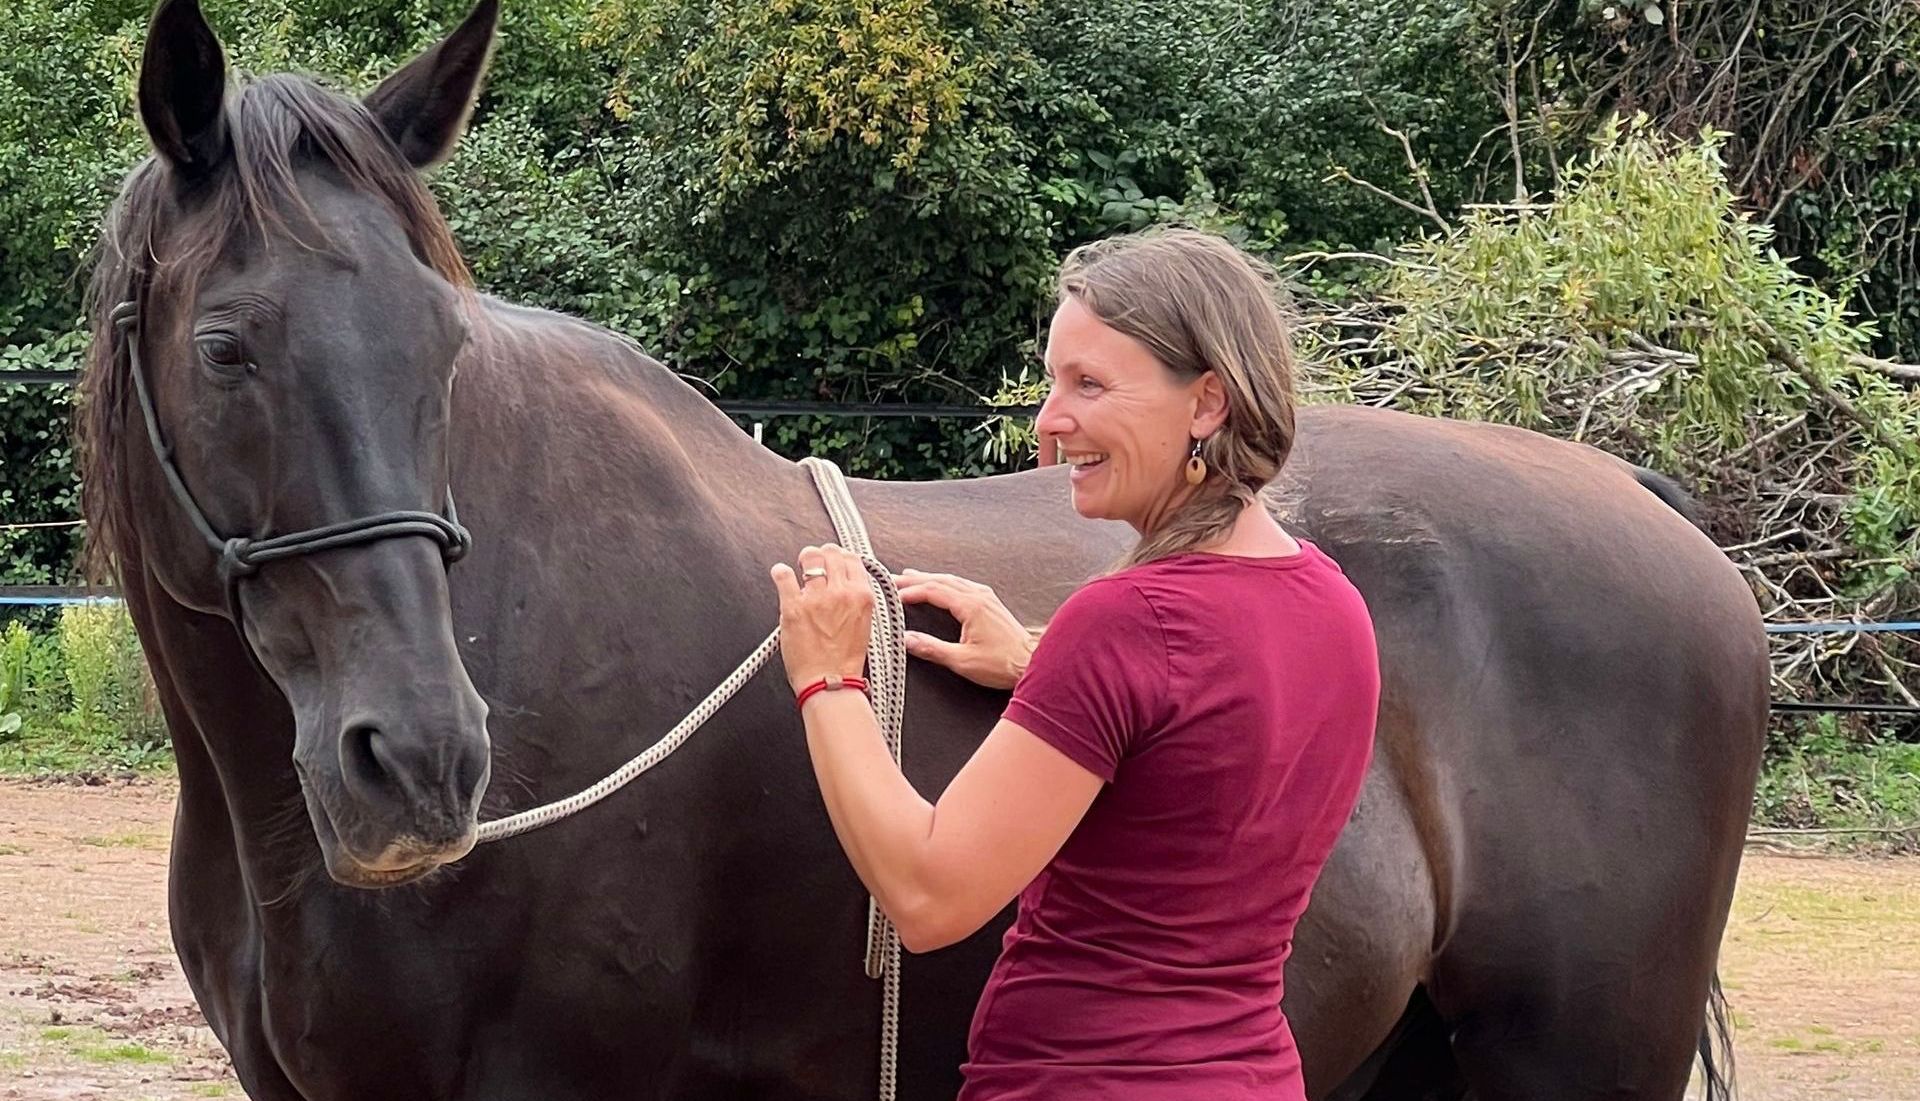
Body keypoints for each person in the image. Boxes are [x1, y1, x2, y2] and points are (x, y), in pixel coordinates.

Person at [769, 225, 1380, 1100]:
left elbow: (928, 893)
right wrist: (1041, 667)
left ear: (1207, 402)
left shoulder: (1127, 623)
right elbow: (1204, 754)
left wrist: (829, 674)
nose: (1050, 421)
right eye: (1055, 381)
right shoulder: (1331, 603)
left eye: (1089, 384)